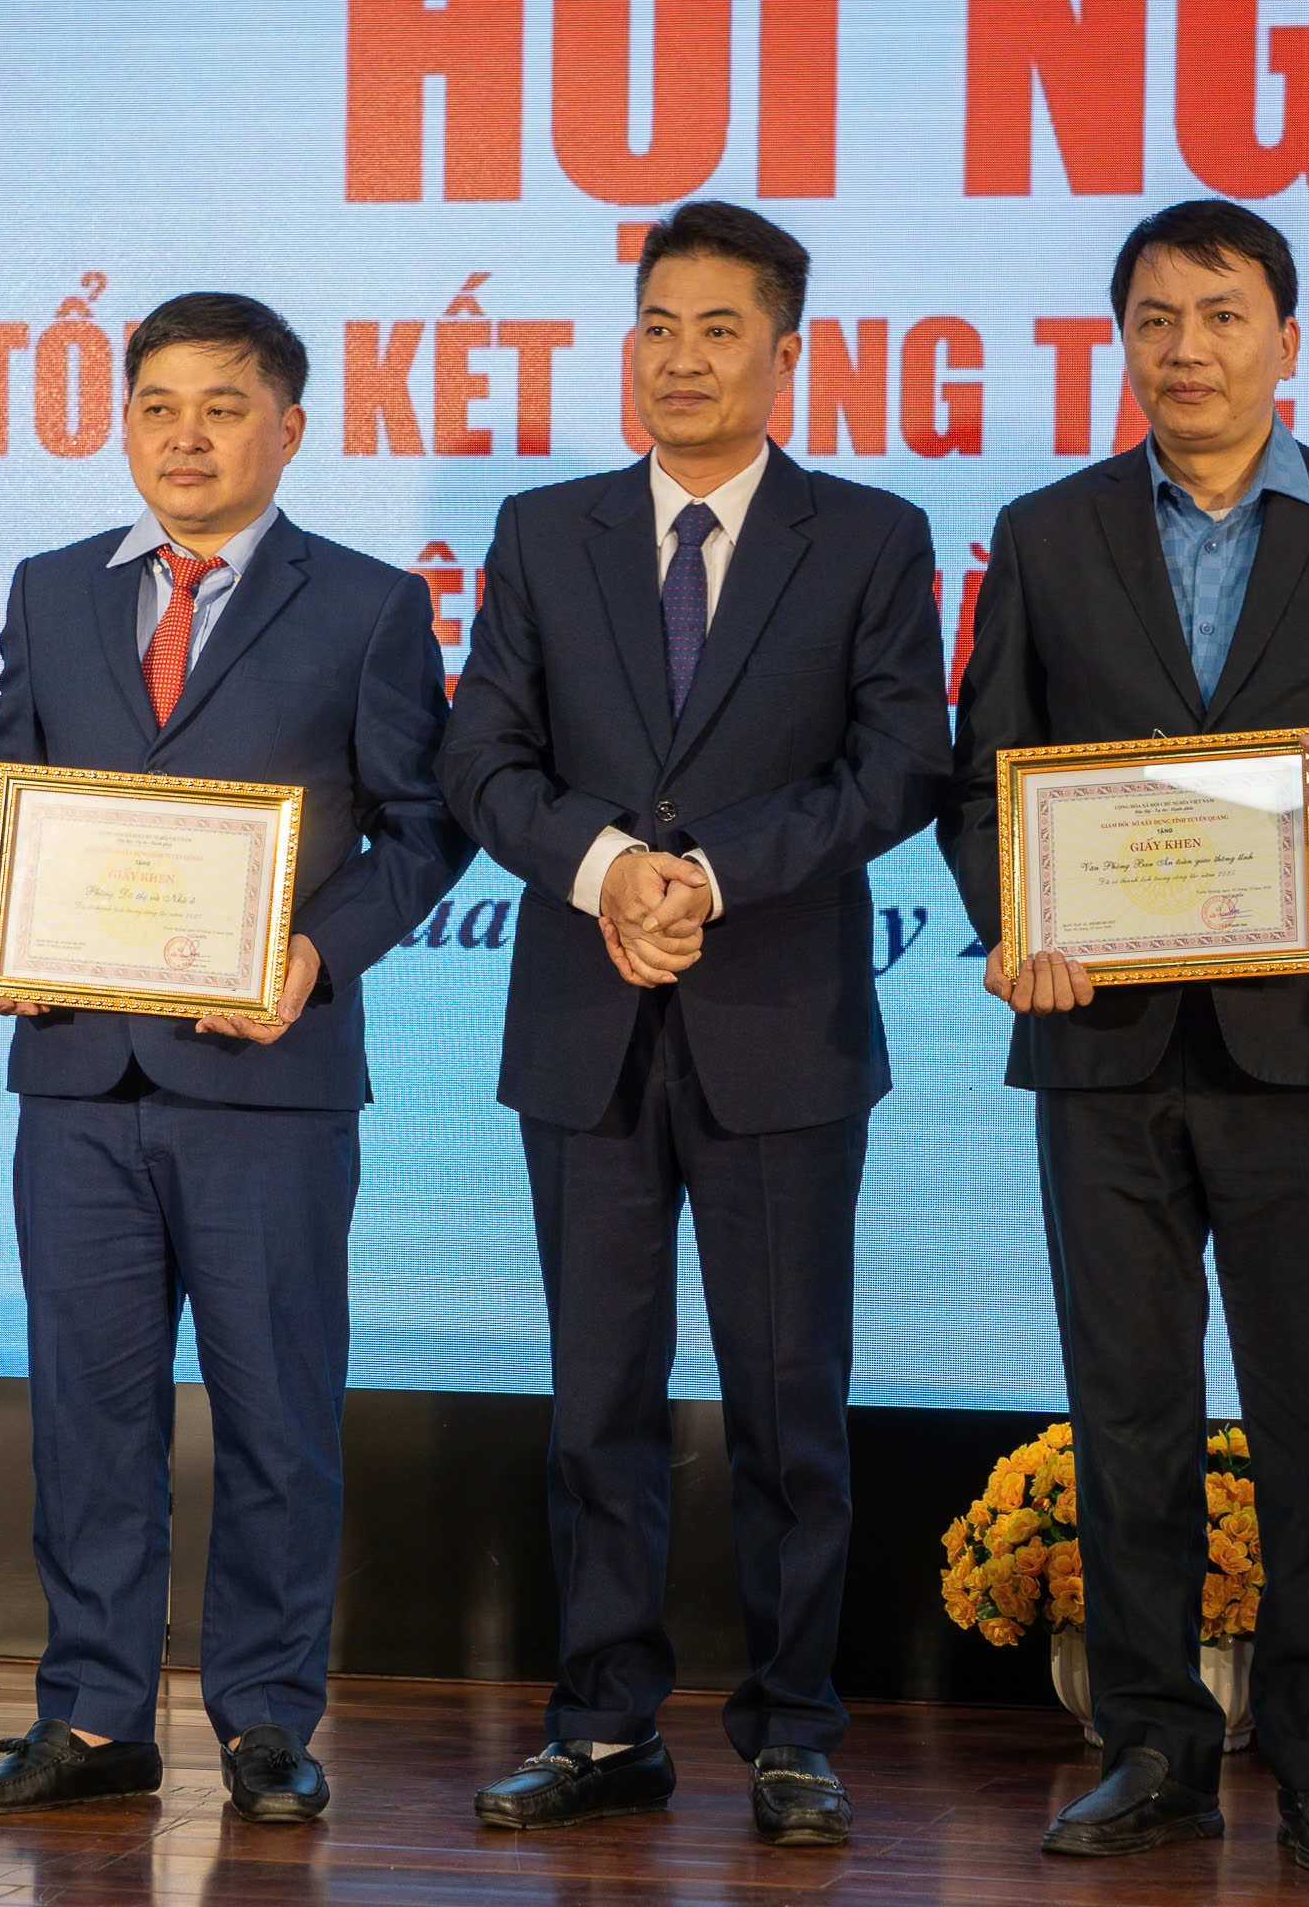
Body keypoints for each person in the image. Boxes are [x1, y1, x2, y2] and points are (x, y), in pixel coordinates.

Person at [939, 199, 1309, 1876]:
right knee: (1128, 1420)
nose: (1188, 350)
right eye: (1156, 319)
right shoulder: (1045, 532)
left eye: (1223, 315)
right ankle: (1153, 1745)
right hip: (1099, 1046)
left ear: (1286, 341)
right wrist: (1013, 921)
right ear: (1122, 343)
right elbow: (984, 781)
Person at [440, 200, 949, 1847]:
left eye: (719, 329)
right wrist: (609, 871)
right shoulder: (545, 532)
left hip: (781, 1031)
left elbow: (897, 768)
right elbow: (480, 761)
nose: (680, 359)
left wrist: (710, 877)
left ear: (787, 353)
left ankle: (795, 1732)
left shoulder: (866, 537)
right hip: (583, 1030)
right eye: (658, 325)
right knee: (599, 1407)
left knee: (792, 1411)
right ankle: (603, 1728)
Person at [0, 293, 468, 1825]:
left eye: (222, 408)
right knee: (86, 1412)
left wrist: (315, 954)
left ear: (288, 429)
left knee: (276, 1414)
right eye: (157, 406)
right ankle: (94, 1718)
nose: (185, 436)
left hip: (268, 1080)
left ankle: (267, 1720)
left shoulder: (367, 605)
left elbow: (424, 825)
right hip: (77, 1076)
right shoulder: (53, 590)